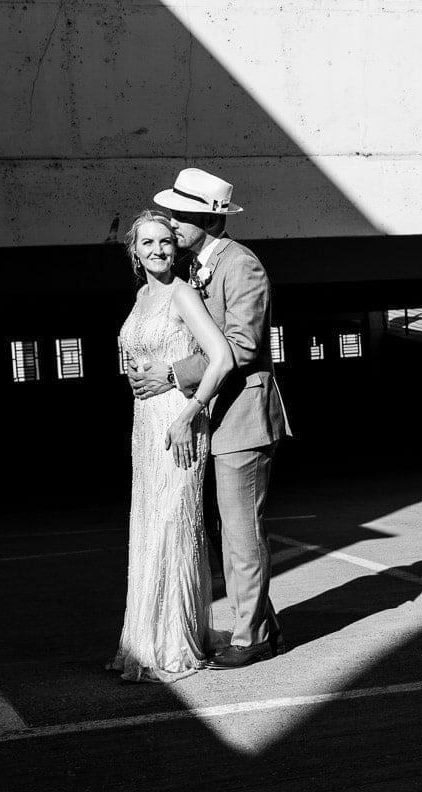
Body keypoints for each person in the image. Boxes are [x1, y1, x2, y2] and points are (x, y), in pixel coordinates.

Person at [129, 168, 290, 670]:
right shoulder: (193, 268)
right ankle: (260, 622)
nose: (172, 224)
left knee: (241, 534)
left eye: (179, 215)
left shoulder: (242, 266)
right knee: (222, 532)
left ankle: (251, 638)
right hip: (206, 417)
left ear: (204, 218)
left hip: (241, 416)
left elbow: (242, 346)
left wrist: (173, 375)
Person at [109, 210, 235, 683]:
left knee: (172, 523)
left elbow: (220, 357)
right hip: (147, 423)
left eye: (165, 241)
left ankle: (174, 642)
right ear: (135, 253)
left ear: (174, 247)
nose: (159, 250)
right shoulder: (142, 296)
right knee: (148, 523)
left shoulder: (182, 292)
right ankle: (144, 640)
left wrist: (190, 413)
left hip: (179, 421)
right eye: (148, 244)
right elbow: (141, 355)